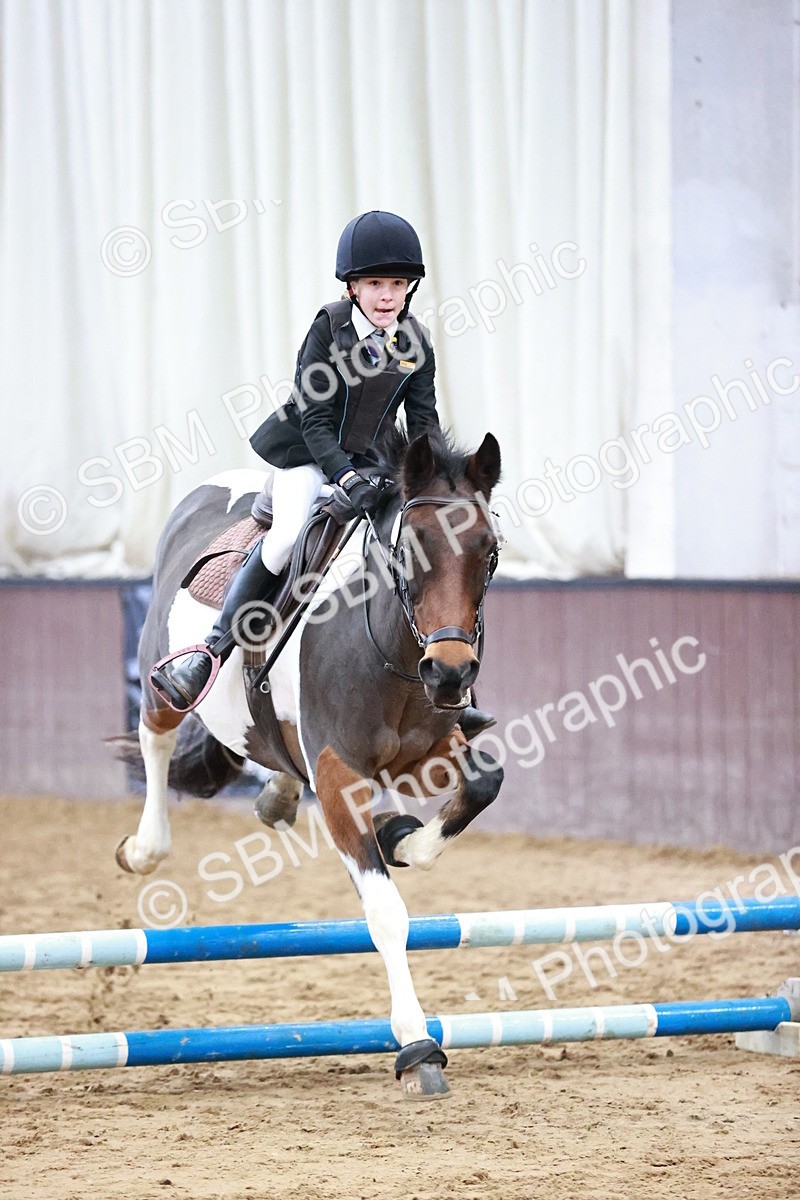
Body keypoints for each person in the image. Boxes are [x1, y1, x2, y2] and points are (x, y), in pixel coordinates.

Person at [152, 210, 493, 735]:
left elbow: (422, 421)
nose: (387, 295)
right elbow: (313, 419)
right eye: (375, 284)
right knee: (288, 537)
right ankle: (212, 650)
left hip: (375, 464)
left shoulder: (415, 342)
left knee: (432, 545)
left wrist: (433, 481)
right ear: (353, 288)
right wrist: (342, 473)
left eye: (397, 284)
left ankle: (452, 684)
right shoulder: (328, 329)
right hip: (307, 457)